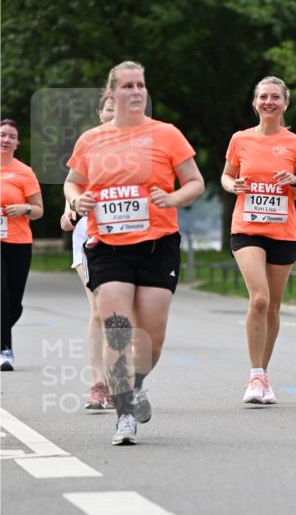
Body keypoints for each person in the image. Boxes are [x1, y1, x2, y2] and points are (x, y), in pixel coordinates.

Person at [64, 60, 204, 445]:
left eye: (140, 84)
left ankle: (137, 384)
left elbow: (195, 182)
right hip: (108, 247)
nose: (136, 91)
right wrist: (79, 201)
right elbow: (71, 184)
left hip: (158, 244)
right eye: (127, 86)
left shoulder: (167, 135)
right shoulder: (91, 140)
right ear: (112, 94)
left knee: (152, 337)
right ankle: (124, 413)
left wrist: (173, 196)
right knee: (119, 333)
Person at [221, 76, 296, 404]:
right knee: (259, 298)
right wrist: (233, 186)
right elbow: (227, 175)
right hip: (246, 227)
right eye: (263, 97)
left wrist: (294, 181)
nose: (269, 102)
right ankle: (254, 374)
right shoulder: (240, 139)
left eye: (275, 97)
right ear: (255, 102)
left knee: (273, 306)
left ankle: (264, 375)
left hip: (282, 231)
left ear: (285, 103)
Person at [60, 92, 115, 409]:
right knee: (98, 309)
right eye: (108, 109)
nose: (113, 114)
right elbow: (73, 186)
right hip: (88, 235)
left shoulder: (140, 147)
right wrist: (68, 212)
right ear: (100, 113)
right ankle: (98, 384)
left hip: (125, 235)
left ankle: (119, 378)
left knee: (118, 313)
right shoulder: (88, 144)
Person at [1, 119, 44, 371]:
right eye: (2, 134)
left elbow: (39, 210)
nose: (5, 139)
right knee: (1, 295)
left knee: (14, 303)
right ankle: (6, 350)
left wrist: (25, 208)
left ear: (17, 143)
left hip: (19, 243)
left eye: (11, 136)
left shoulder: (24, 172)